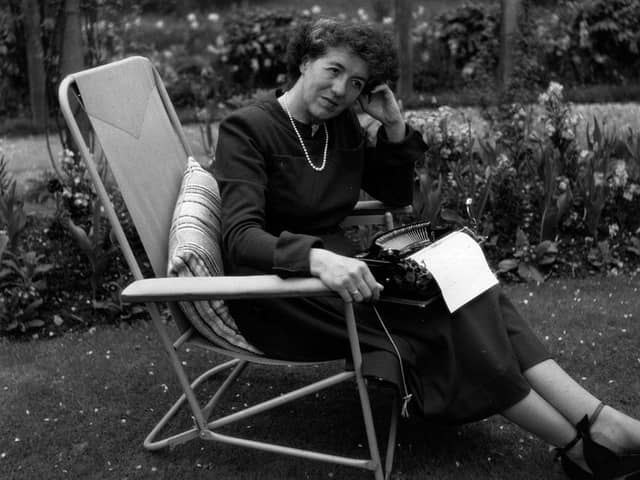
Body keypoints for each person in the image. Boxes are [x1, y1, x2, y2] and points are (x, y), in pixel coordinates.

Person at [214, 17, 640, 479]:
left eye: (355, 82)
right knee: (449, 313)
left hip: (353, 276)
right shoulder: (249, 128)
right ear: (304, 61)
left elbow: (394, 195)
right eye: (333, 70)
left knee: (474, 289)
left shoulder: (340, 127)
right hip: (285, 293)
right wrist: (316, 258)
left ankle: (600, 426)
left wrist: (393, 126)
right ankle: (582, 443)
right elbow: (240, 237)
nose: (341, 90)